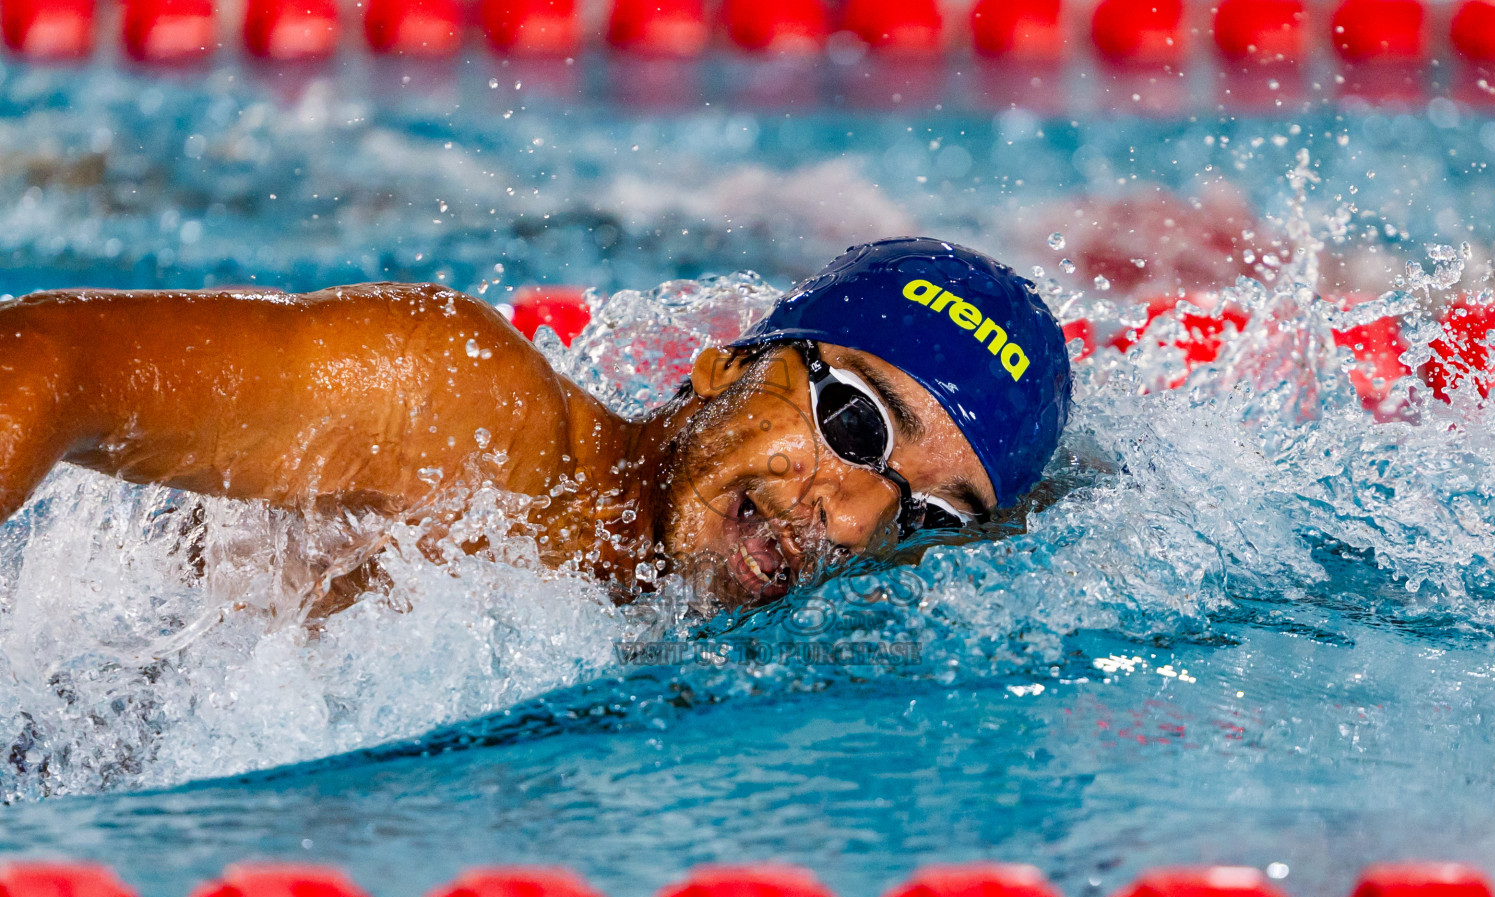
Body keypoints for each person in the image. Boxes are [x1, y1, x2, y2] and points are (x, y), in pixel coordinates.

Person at [0, 237, 1071, 609]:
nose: (849, 514)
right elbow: (52, 360)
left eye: (925, 511)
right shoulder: (466, 415)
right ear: (720, 369)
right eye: (852, 420)